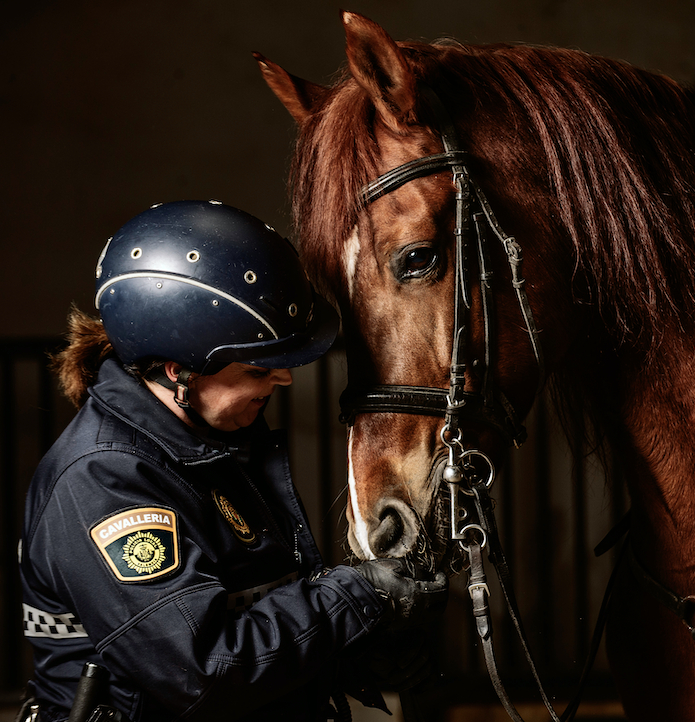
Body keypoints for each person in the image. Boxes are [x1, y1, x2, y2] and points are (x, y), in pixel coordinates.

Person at [17, 200, 447, 722]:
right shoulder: (103, 480)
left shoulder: (213, 443)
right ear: (179, 372)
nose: (283, 379)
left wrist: (349, 655)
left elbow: (254, 618)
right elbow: (202, 671)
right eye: (258, 368)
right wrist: (360, 594)